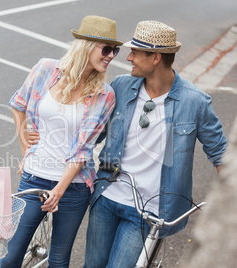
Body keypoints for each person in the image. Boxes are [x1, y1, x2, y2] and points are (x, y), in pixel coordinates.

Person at [83, 20, 228, 267]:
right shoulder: (121, 86)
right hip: (107, 197)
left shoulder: (194, 102)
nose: (128, 58)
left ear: (156, 58)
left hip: (147, 212)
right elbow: (91, 134)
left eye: (135, 53)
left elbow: (221, 154)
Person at [0, 16, 122, 268]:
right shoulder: (46, 69)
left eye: (115, 51)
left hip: (74, 188)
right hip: (34, 177)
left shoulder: (104, 94)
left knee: (58, 260)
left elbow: (83, 149)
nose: (111, 56)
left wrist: (60, 190)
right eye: (106, 49)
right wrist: (26, 146)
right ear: (86, 46)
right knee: (9, 257)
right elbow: (18, 104)